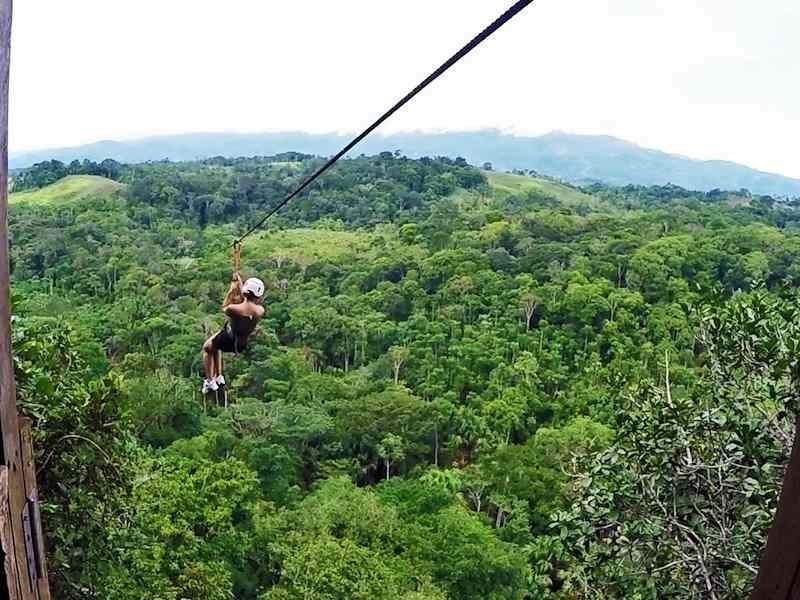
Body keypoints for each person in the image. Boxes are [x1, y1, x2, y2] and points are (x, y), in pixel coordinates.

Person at [201, 272, 265, 394]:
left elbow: (225, 307)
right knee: (216, 345)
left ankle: (209, 381)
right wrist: (239, 283)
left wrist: (232, 289)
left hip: (228, 338)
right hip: (241, 343)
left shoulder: (234, 309)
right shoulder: (259, 311)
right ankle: (219, 376)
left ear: (245, 292)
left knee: (207, 348)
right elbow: (247, 300)